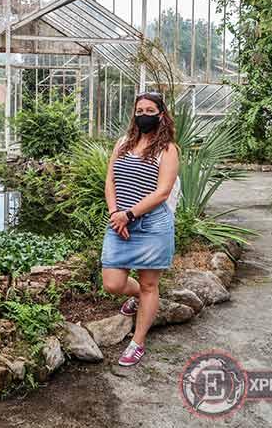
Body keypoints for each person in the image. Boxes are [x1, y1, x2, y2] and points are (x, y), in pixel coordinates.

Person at [102, 91, 178, 367]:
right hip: (119, 221)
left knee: (149, 284)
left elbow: (162, 192)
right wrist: (115, 214)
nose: (144, 115)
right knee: (112, 282)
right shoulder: (122, 144)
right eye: (139, 111)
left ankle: (138, 342)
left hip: (151, 225)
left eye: (150, 111)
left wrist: (129, 215)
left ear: (161, 115)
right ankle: (135, 297)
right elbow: (110, 180)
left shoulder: (167, 150)